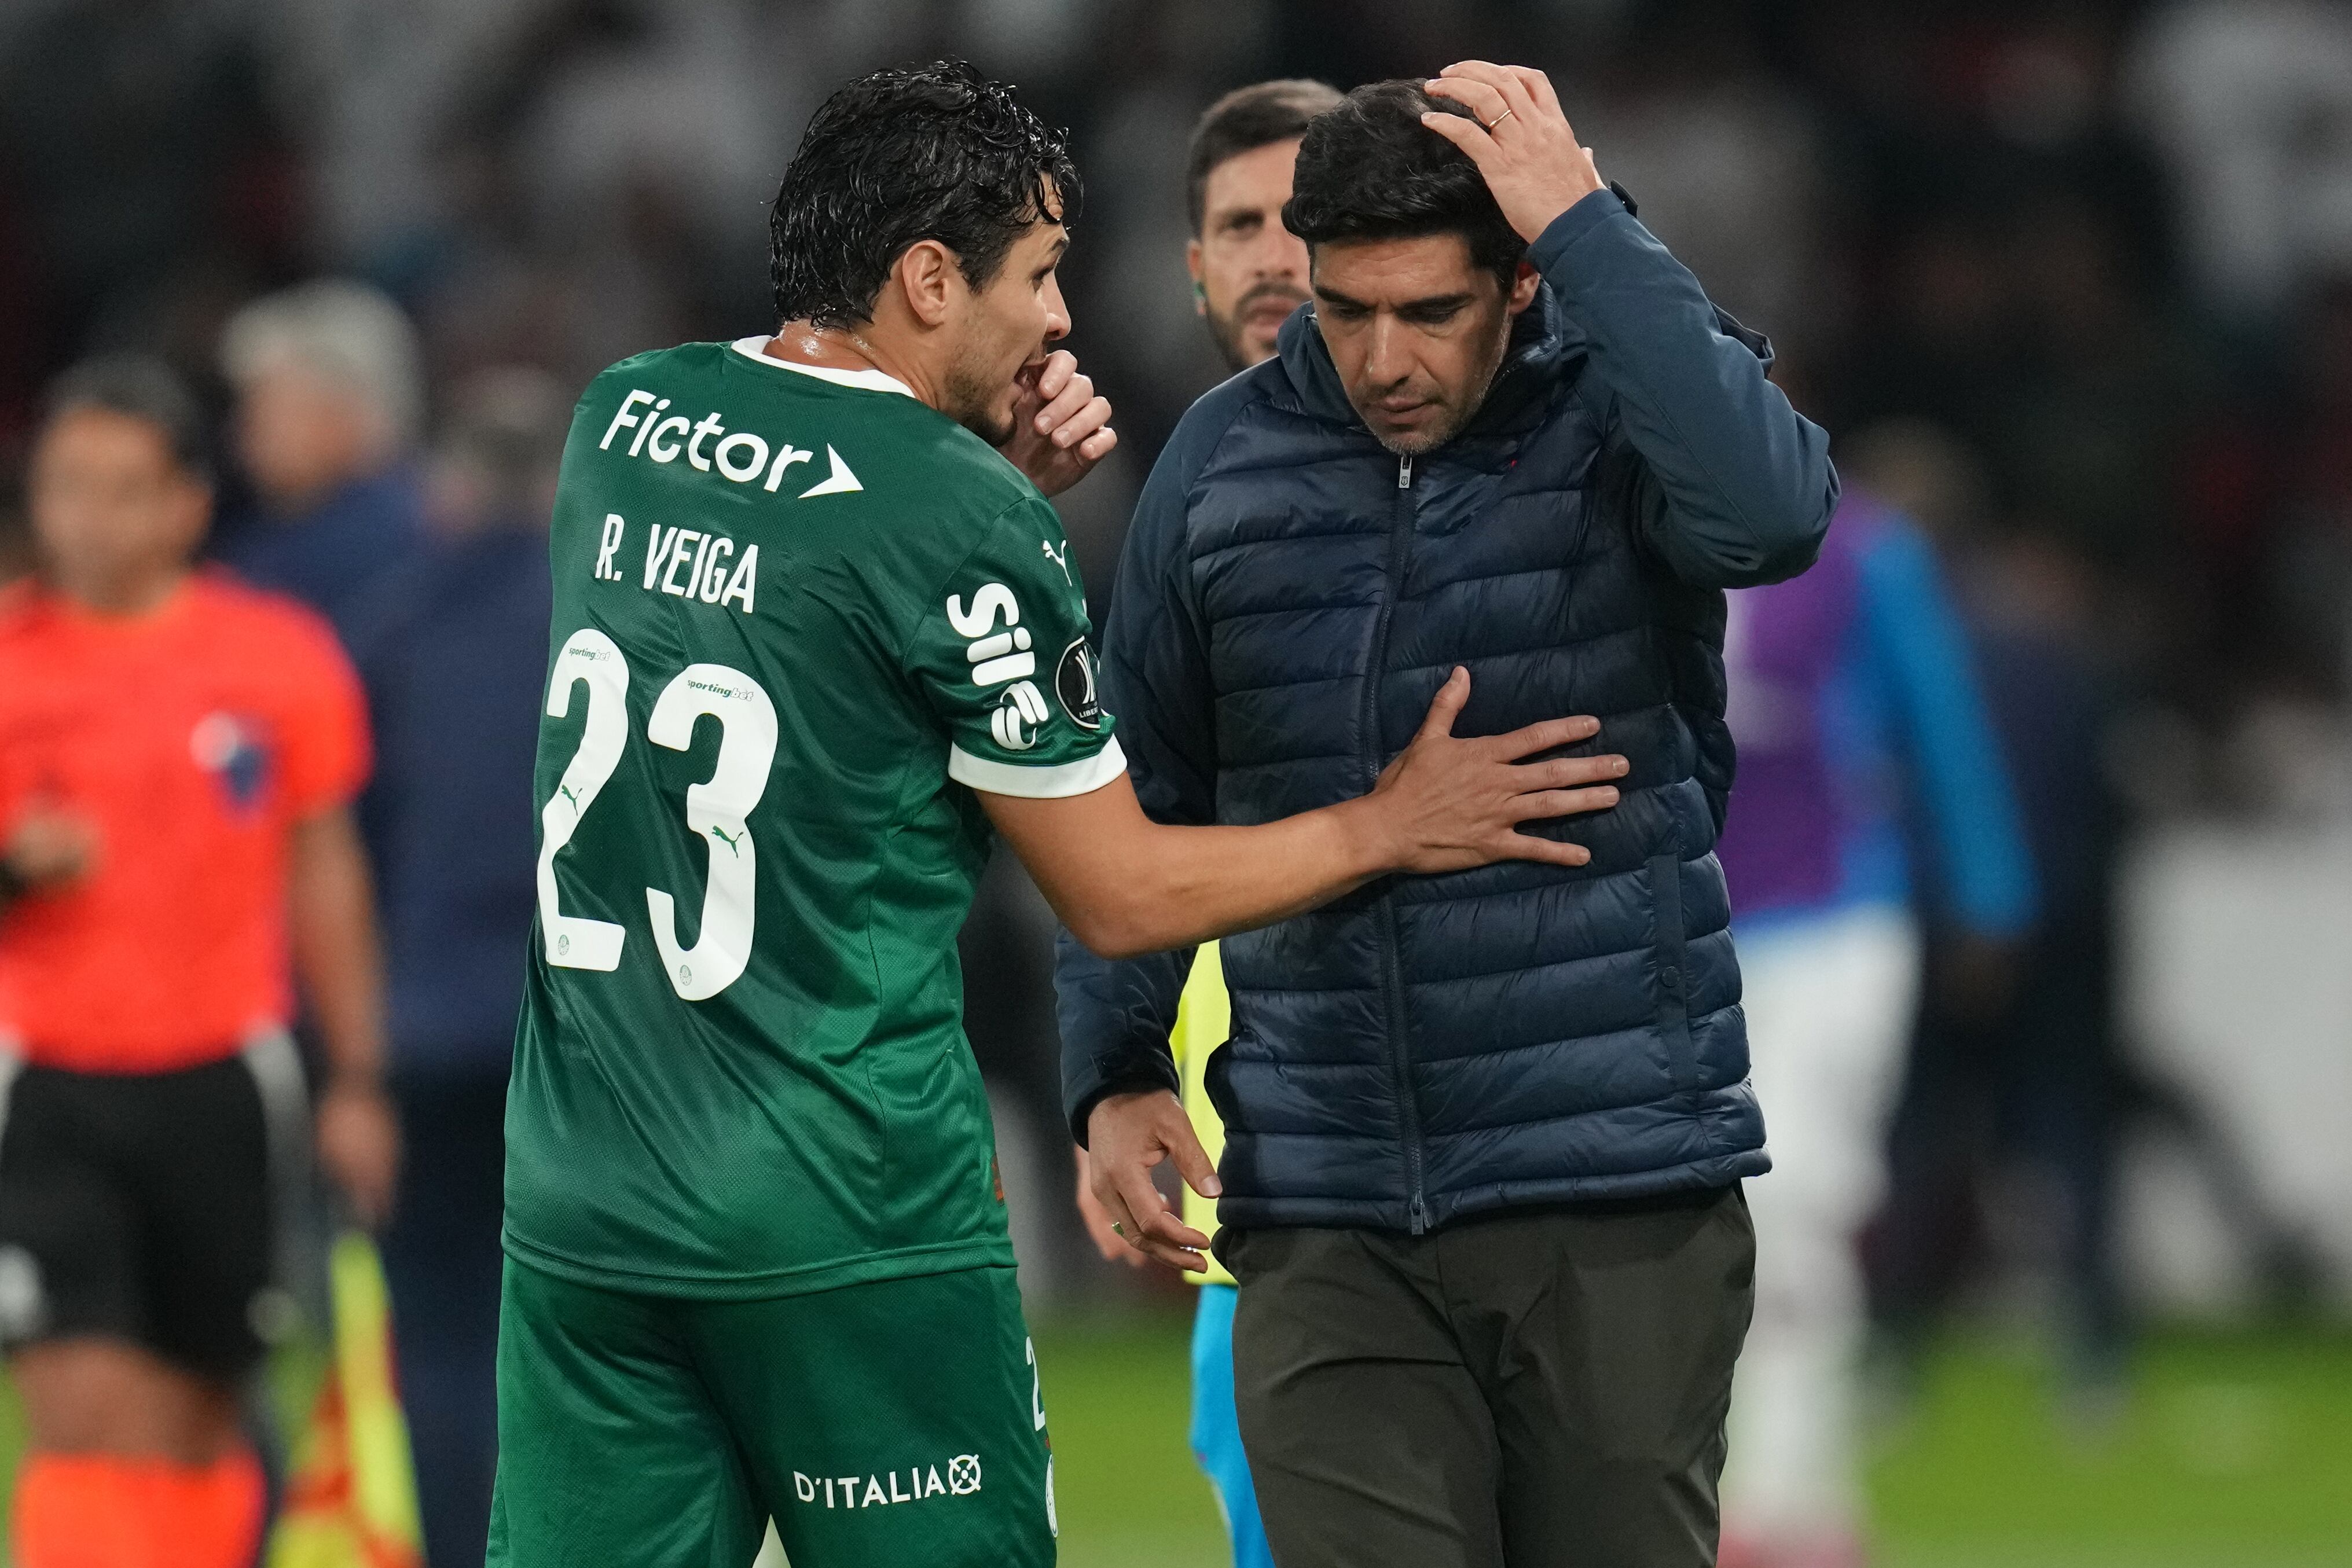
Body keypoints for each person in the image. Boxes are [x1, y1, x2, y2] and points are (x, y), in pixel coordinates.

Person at [489, 61, 1626, 1568]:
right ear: (924, 276)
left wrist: (969, 503)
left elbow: (797, 641)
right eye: (1031, 274)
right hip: (841, 1202)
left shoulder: (622, 418)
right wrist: (1385, 822)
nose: (1056, 318)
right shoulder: (958, 521)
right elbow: (1114, 892)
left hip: (585, 1194)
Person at [1061, 66, 1837, 1568]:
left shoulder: (1620, 425)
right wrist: (1111, 1064)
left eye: (1426, 311)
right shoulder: (1220, 467)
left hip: (1610, 1193)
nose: (1377, 356)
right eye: (1343, 309)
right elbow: (1137, 789)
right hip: (1323, 1202)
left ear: (1517, 279)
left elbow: (1773, 513)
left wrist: (1588, 223)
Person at [0, 358, 398, 1568]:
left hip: (227, 1085)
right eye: (68, 486)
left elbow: (325, 872)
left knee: (197, 1423)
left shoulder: (274, 657)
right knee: (84, 1425)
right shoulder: (11, 661)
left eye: (125, 489)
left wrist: (358, 1078)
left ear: (186, 503)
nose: (91, 518)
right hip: (51, 1088)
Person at [1065, 76, 1340, 1568]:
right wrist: (1112, 1073)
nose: (1274, 256)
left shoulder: (1490, 462)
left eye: (1305, 216)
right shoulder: (1186, 495)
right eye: (1239, 225)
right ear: (1191, 267)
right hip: (1262, 1142)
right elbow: (1127, 813)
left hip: (1476, 1134)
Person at [1710, 489, 2037, 1568]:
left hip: (1832, 917)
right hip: (1679, 920)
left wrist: (1988, 887)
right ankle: (1804, 1505)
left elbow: (1937, 710)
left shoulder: (1862, 551)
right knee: (1709, 1216)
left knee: (1787, 1195)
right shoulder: (1621, 523)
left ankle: (1768, 1497)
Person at [344, 366, 568, 1568]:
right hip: (589, 1033)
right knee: (594, 1321)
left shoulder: (387, 624)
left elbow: (346, 846)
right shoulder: (612, 613)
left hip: (422, 1024)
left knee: (437, 1326)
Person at [214, 280, 428, 645]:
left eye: (267, 404)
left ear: (350, 409)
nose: (246, 425)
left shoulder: (399, 539)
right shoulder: (275, 527)